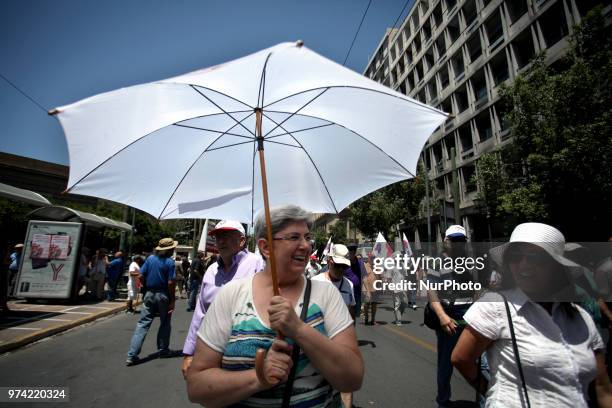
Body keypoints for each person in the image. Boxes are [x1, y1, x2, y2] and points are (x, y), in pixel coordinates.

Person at [186, 205, 363, 407]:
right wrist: (258, 378)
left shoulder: (326, 294)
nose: (306, 246)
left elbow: (353, 378)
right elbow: (197, 387)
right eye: (294, 237)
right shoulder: (230, 295)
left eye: (307, 237)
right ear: (266, 247)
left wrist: (299, 330)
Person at [451, 222, 612, 407]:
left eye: (535, 257)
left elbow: (603, 386)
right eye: (516, 257)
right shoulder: (496, 305)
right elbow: (461, 358)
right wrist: (495, 394)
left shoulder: (581, 317)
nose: (524, 264)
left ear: (557, 266)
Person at [181, 220, 264, 379]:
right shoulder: (211, 271)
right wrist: (189, 353)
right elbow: (200, 313)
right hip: (212, 350)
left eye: (226, 236)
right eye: (218, 237)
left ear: (241, 241)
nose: (221, 241)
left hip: (247, 352)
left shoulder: (257, 264)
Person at [427, 225, 475, 408]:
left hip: (470, 315)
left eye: (461, 241)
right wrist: (442, 316)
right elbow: (432, 292)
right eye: (454, 240)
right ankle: (443, 401)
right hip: (449, 316)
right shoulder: (436, 262)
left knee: (478, 360)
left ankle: (486, 398)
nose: (458, 245)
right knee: (446, 363)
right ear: (446, 241)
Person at [126, 238, 177, 366]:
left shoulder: (150, 259)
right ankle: (163, 349)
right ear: (170, 249)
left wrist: (146, 287)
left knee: (143, 323)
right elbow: (170, 282)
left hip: (149, 293)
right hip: (163, 295)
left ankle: (132, 355)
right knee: (165, 323)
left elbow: (141, 275)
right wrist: (172, 299)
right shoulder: (170, 262)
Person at [346, 244, 364, 323]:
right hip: (346, 292)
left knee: (355, 315)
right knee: (347, 314)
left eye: (353, 252)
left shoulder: (360, 263)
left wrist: (366, 291)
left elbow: (364, 277)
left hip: (357, 292)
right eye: (350, 252)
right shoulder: (345, 263)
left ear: (355, 252)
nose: (351, 254)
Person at [362, 253, 380, 325]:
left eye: (374, 258)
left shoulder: (377, 267)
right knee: (367, 304)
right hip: (366, 289)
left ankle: (373, 320)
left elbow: (380, 277)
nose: (373, 259)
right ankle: (366, 317)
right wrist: (367, 291)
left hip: (375, 288)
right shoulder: (365, 266)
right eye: (372, 258)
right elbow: (364, 279)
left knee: (374, 304)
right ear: (368, 258)